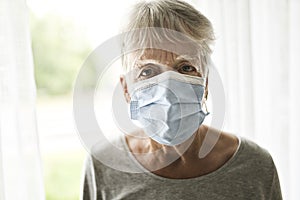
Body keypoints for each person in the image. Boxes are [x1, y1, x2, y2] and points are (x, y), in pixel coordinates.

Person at [81, 0, 282, 199]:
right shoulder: (103, 165)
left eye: (185, 68)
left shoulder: (255, 166)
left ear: (205, 84)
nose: (168, 90)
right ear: (126, 89)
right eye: (147, 71)